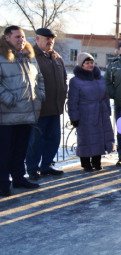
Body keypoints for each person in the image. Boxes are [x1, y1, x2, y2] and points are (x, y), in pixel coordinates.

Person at [0, 26, 45, 196]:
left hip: (27, 113)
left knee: (20, 150)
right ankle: (3, 183)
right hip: (7, 114)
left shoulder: (29, 57)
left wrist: (40, 95)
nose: (21, 40)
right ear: (7, 38)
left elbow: (39, 78)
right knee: (4, 152)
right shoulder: (1, 57)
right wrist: (9, 99)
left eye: (23, 36)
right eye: (17, 36)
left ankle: (19, 178)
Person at [26, 28, 67, 180]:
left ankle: (46, 166)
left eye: (52, 39)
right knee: (36, 141)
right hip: (39, 109)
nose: (50, 41)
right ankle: (32, 169)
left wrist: (63, 94)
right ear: (37, 39)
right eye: (47, 38)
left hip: (55, 108)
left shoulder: (57, 57)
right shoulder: (31, 57)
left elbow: (64, 79)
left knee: (54, 139)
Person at [67, 53, 115, 172]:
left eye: (91, 62)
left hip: (100, 113)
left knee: (99, 138)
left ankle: (97, 162)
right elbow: (72, 101)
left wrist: (107, 111)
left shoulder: (99, 78)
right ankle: (86, 163)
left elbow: (105, 96)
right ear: (81, 65)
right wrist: (74, 117)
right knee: (86, 139)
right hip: (85, 114)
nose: (90, 65)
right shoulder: (75, 81)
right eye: (87, 63)